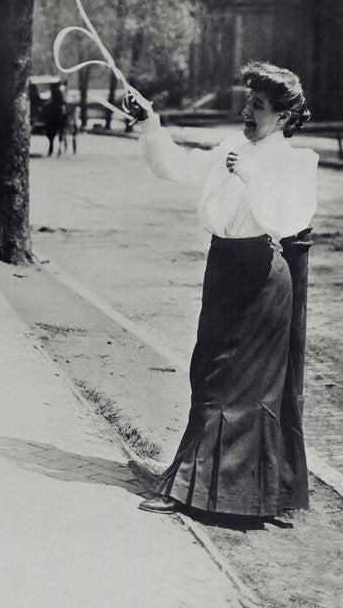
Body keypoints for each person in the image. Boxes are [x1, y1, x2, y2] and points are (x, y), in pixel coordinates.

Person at [134, 61, 317, 518]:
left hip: (260, 277)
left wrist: (251, 177)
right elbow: (175, 167)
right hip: (224, 269)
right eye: (248, 101)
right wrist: (150, 125)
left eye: (258, 105)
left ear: (284, 116)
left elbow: (289, 218)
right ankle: (243, 496)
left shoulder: (294, 161)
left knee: (230, 382)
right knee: (210, 374)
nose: (247, 111)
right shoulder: (233, 145)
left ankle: (193, 491)